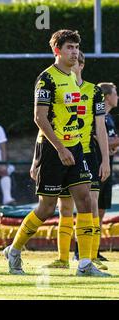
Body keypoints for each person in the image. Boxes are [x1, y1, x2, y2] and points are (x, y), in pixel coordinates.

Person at [4, 29, 110, 277]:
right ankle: (15, 250)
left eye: (76, 47)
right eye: (70, 47)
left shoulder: (74, 79)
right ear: (57, 51)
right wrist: (60, 148)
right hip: (53, 150)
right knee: (47, 207)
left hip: (76, 149)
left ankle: (84, 264)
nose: (74, 52)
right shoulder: (46, 79)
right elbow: (39, 118)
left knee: (84, 200)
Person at [31, 51, 110, 271]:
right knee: (60, 207)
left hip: (85, 153)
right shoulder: (53, 81)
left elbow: (100, 128)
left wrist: (105, 159)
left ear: (82, 65)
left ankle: (89, 258)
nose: (75, 62)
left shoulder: (93, 91)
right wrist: (35, 160)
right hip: (59, 152)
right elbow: (44, 124)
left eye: (79, 60)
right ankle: (63, 258)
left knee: (89, 203)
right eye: (71, 53)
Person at [94, 82, 119, 261]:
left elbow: (110, 143)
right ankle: (81, 251)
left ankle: (94, 249)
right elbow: (97, 139)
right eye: (115, 93)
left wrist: (112, 148)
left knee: (101, 209)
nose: (117, 97)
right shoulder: (98, 116)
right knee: (91, 209)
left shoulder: (109, 118)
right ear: (107, 97)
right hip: (96, 166)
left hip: (107, 166)